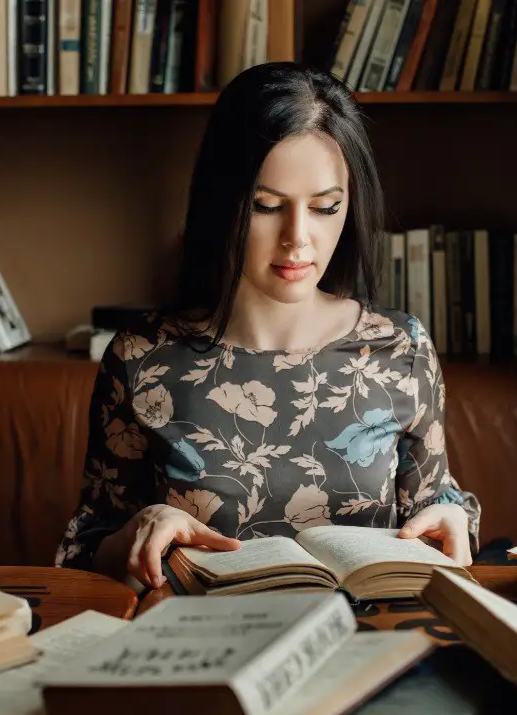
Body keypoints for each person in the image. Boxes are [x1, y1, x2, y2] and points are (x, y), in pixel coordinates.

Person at [55, 62, 481, 591]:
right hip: (207, 644)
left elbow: (433, 505)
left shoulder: (401, 350)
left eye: (326, 207)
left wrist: (451, 520)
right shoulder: (144, 358)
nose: (297, 238)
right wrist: (139, 530)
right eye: (265, 206)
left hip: (366, 644)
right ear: (222, 202)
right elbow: (85, 547)